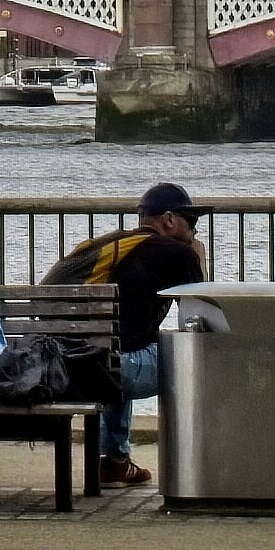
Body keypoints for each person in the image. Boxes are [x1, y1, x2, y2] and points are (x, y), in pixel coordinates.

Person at [79, 185, 205, 493]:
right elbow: (202, 315)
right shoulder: (178, 253)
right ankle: (203, 459)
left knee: (117, 348)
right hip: (116, 370)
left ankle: (114, 461)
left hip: (73, 367)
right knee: (195, 355)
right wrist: (199, 255)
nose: (195, 230)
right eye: (191, 222)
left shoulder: (114, 248)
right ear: (169, 220)